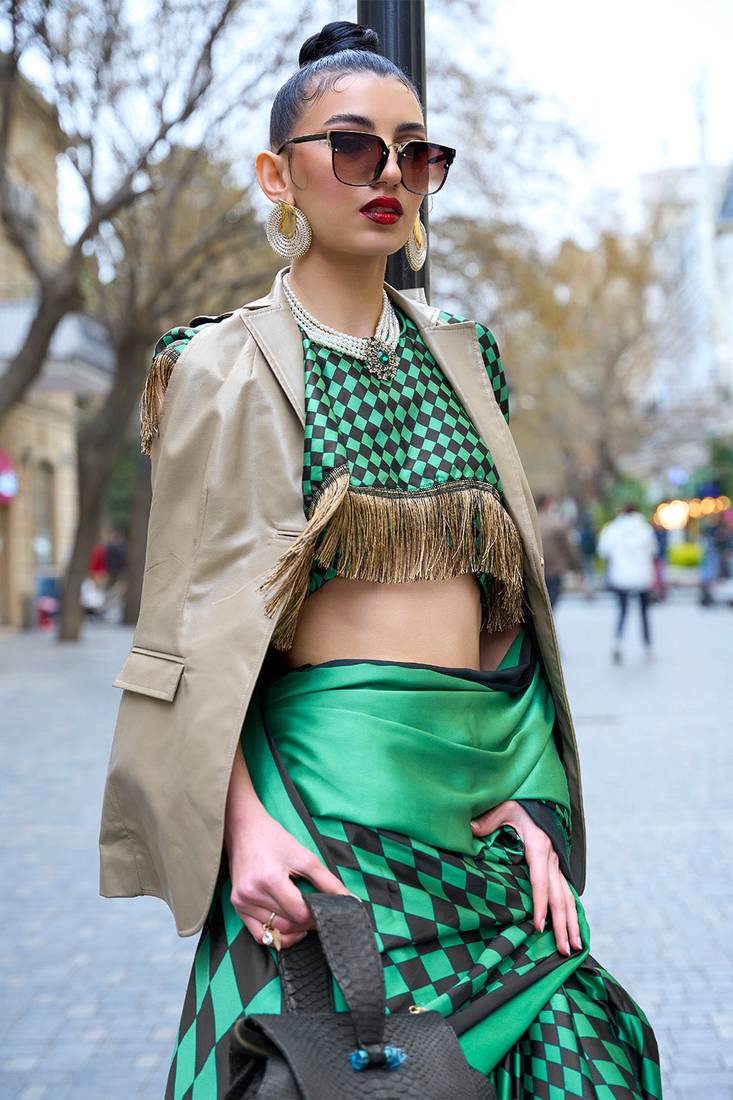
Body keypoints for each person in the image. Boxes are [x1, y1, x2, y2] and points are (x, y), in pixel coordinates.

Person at [98, 21, 662, 1099]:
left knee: (585, 1057)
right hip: (321, 827)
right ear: (278, 175)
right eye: (354, 147)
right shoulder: (215, 365)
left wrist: (537, 806)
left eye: (416, 152)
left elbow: (510, 620)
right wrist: (243, 827)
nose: (391, 175)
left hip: (483, 830)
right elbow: (182, 636)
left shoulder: (467, 355)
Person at [597, 502, 658, 664]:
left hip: (621, 576)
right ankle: (648, 645)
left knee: (622, 611)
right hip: (642, 576)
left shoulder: (613, 528)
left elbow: (603, 551)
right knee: (644, 612)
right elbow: (653, 550)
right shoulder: (645, 528)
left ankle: (617, 642)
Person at [535, 494, 583, 609]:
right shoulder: (557, 524)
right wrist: (577, 566)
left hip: (535, 568)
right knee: (551, 601)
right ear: (547, 504)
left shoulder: (530, 523)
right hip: (554, 570)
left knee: (539, 602)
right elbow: (568, 548)